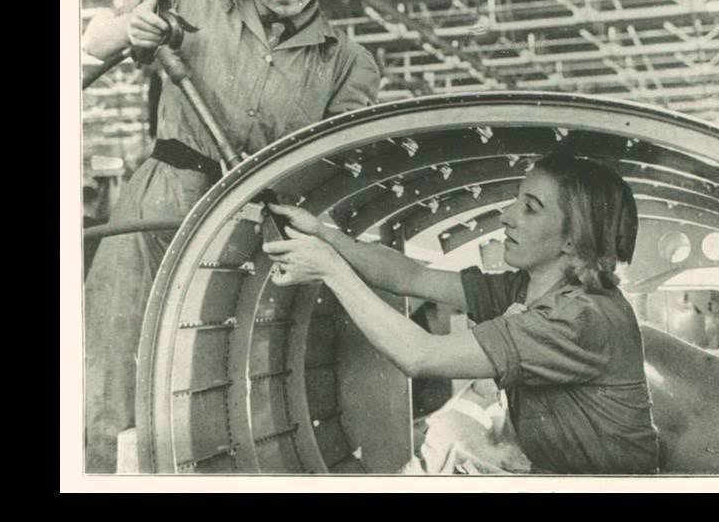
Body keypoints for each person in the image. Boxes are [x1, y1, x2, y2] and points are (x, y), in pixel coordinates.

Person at [80, 0, 380, 473]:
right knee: (111, 375)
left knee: (217, 388)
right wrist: (133, 27)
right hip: (155, 211)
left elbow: (340, 176)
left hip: (247, 236)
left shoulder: (348, 65)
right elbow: (92, 43)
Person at [264, 154, 660, 474]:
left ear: (574, 238)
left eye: (531, 208)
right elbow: (411, 275)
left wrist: (330, 270)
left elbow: (420, 355)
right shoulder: (526, 288)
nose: (507, 216)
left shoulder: (578, 317)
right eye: (516, 199)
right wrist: (324, 235)